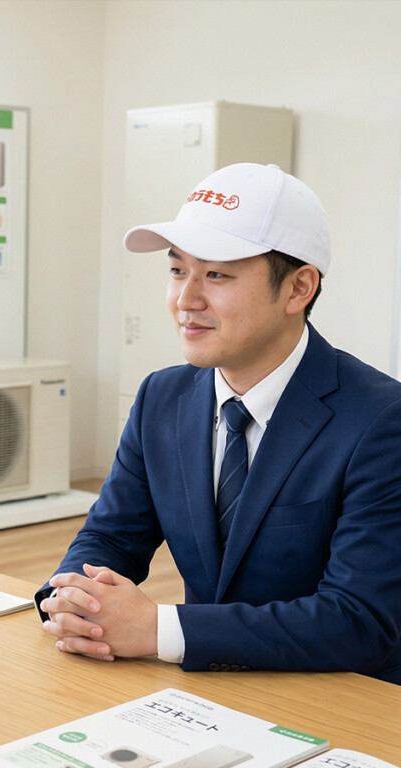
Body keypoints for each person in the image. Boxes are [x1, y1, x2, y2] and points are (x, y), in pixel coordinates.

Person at [37, 162, 401, 684]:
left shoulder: (381, 420)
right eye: (177, 270)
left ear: (298, 288)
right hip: (206, 691)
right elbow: (112, 537)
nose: (186, 300)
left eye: (217, 275)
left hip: (342, 698)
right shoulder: (162, 397)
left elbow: (358, 620)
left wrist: (158, 630)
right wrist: (71, 598)